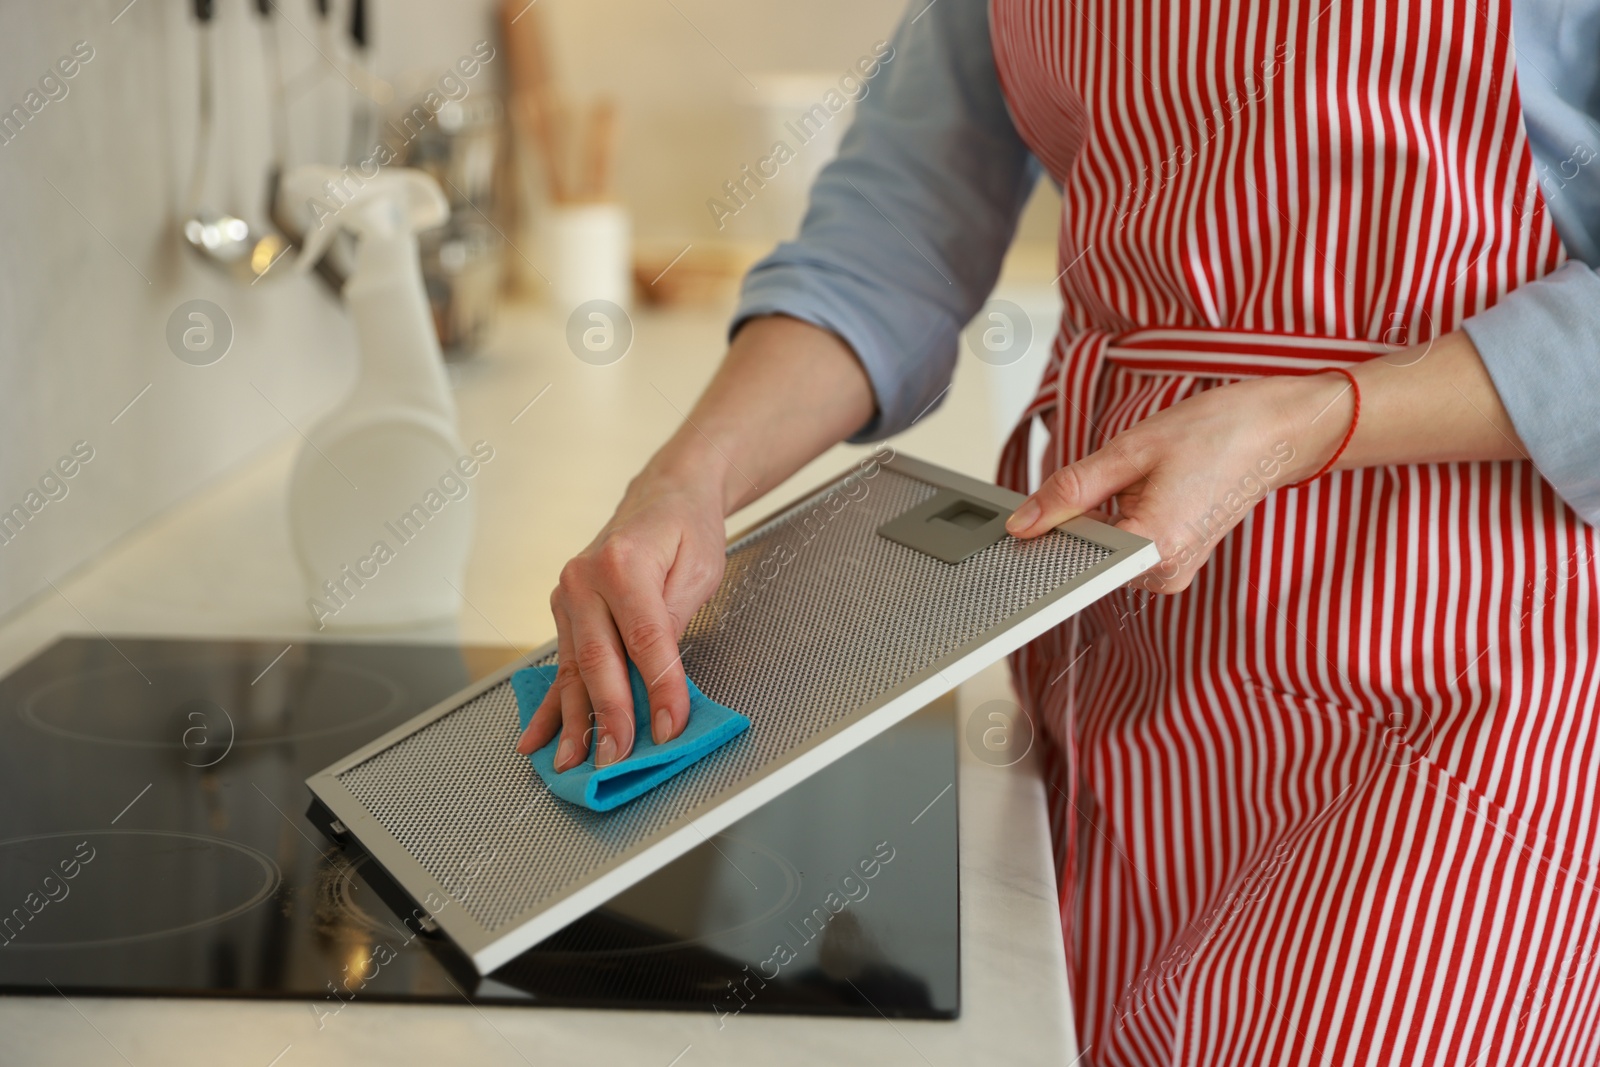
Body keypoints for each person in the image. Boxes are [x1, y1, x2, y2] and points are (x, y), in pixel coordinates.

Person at [515, 0, 1600, 1061]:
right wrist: (688, 479)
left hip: (1466, 673)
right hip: (1116, 652)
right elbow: (890, 237)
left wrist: (1306, 416)